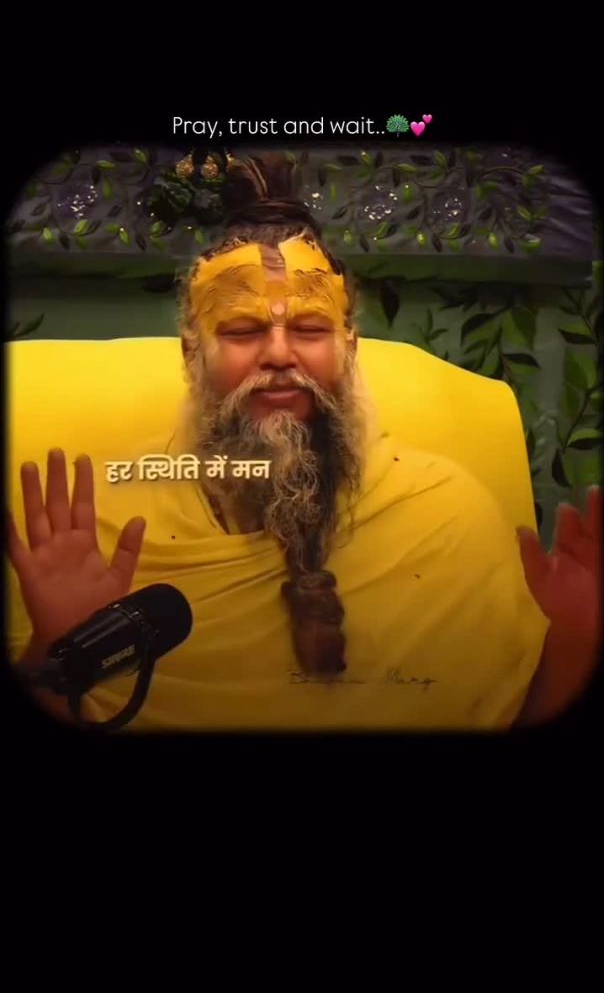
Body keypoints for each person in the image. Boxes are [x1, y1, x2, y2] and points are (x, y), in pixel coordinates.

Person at [5, 154, 601, 731]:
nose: (279, 353)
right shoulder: (106, 528)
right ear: (191, 354)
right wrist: (59, 650)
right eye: (243, 330)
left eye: (311, 329)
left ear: (349, 348)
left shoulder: (450, 513)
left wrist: (580, 637)